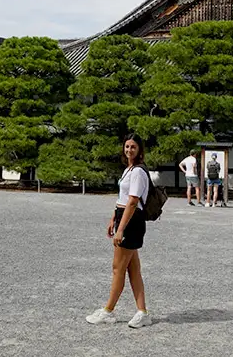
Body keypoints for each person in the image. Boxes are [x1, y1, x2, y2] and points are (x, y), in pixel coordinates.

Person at [86, 135, 153, 328]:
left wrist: (120, 228)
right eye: (127, 146)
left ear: (140, 150)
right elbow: (123, 198)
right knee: (133, 270)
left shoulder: (138, 172)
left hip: (131, 221)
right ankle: (142, 312)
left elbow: (132, 201)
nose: (129, 150)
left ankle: (108, 311)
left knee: (118, 268)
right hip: (124, 217)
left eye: (133, 147)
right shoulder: (129, 169)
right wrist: (113, 219)